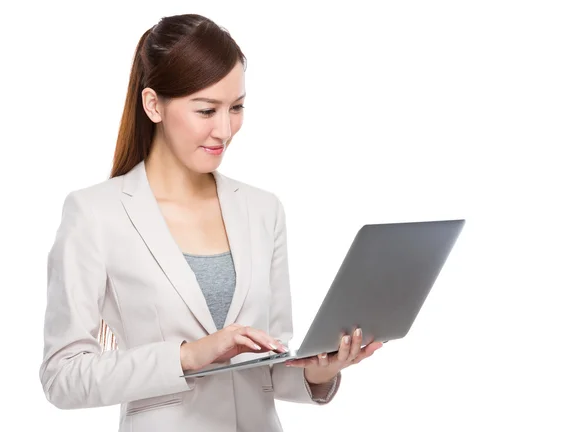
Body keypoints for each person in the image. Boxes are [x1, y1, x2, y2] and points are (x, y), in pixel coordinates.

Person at [39, 13, 383, 432]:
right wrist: (186, 356)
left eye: (236, 107)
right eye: (206, 110)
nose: (225, 130)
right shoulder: (95, 214)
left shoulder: (262, 210)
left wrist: (321, 370)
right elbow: (62, 378)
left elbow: (269, 368)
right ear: (153, 105)